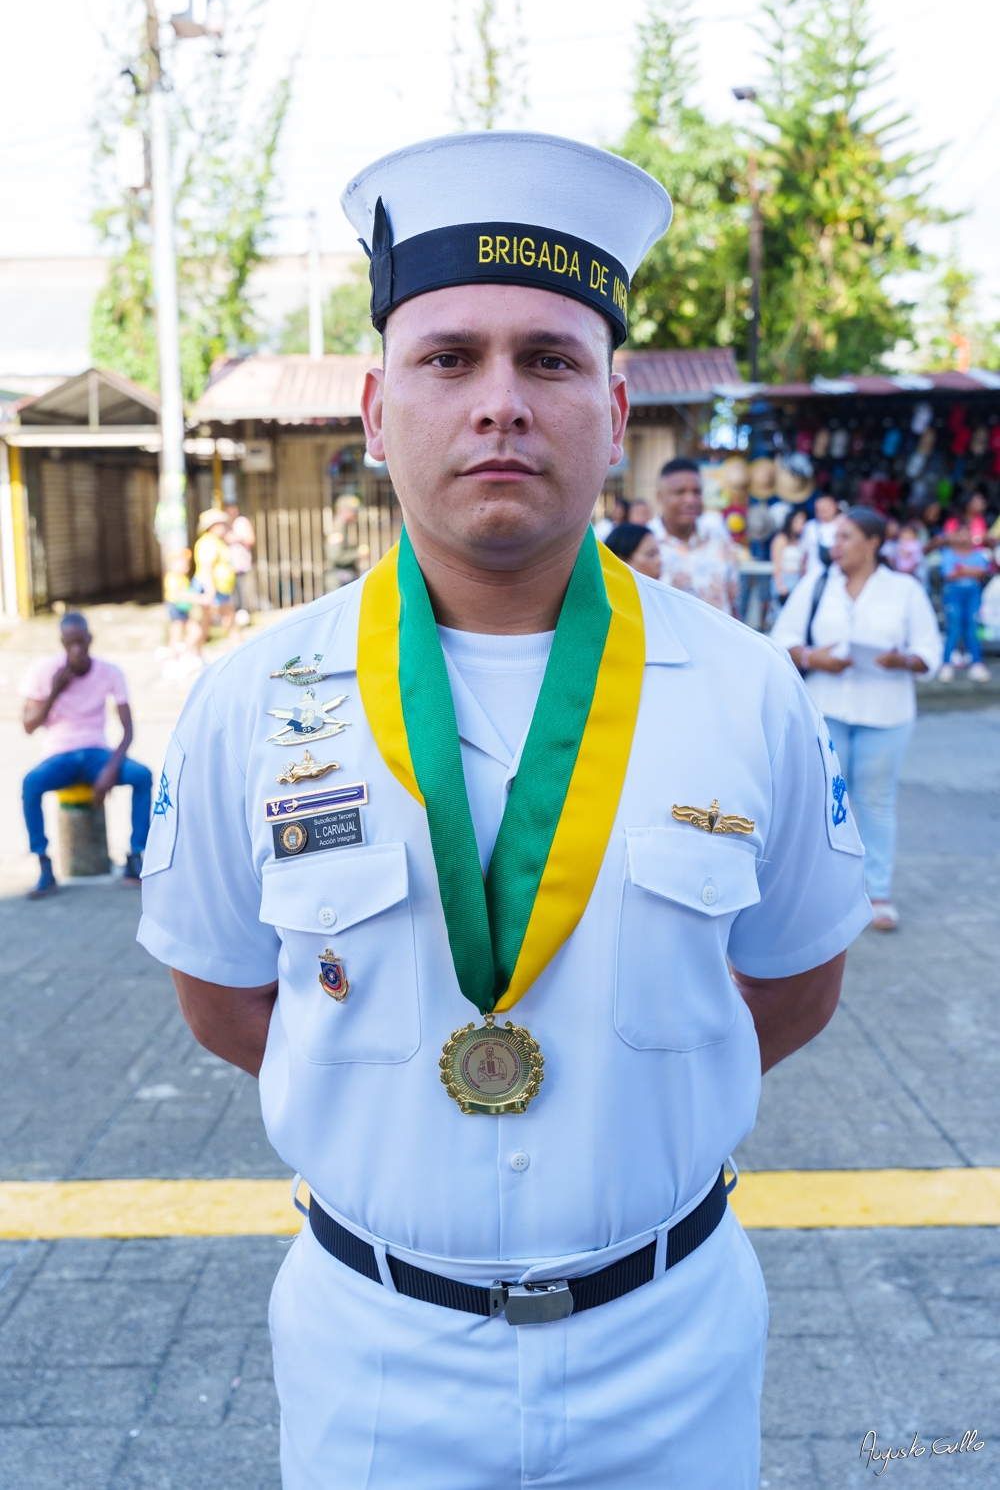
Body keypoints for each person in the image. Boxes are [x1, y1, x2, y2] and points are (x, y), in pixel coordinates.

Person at [139, 131, 869, 1490]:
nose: (499, 403)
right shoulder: (254, 697)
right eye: (448, 358)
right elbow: (226, 996)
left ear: (612, 405)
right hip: (375, 1354)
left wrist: (632, 1099)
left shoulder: (745, 688)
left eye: (548, 360)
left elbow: (797, 983)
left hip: (670, 1346)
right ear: (373, 409)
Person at [771, 507, 942, 931]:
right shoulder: (817, 584)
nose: (837, 545)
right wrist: (814, 657)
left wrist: (901, 659)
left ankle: (877, 892)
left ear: (873, 543)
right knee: (824, 805)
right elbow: (781, 639)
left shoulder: (904, 590)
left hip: (885, 712)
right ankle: (820, 894)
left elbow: (930, 652)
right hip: (826, 709)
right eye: (835, 537)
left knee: (877, 802)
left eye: (847, 536)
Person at [20, 612, 152, 896]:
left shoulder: (110, 672)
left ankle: (136, 855)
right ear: (62, 643)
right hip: (59, 755)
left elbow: (128, 730)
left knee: (142, 776)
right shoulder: (44, 671)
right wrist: (55, 691)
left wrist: (109, 769)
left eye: (81, 642)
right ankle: (43, 863)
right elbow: (29, 725)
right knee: (30, 784)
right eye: (70, 644)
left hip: (97, 754)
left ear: (90, 640)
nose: (76, 650)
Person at [650, 457, 741, 617]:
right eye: (680, 492)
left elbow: (732, 600)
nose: (690, 500)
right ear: (660, 496)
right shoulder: (646, 545)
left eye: (696, 492)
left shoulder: (718, 541)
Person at [938, 520, 992, 683]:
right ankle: (946, 664)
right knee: (953, 627)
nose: (963, 537)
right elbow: (948, 574)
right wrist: (971, 572)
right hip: (953, 595)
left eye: (966, 533)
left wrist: (962, 570)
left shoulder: (978, 554)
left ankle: (977, 664)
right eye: (959, 533)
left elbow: (982, 572)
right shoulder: (947, 553)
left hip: (973, 595)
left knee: (971, 627)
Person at [191, 508, 238, 653]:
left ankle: (237, 650)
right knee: (206, 622)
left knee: (227, 621)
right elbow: (207, 568)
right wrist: (210, 591)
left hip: (220, 588)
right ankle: (188, 651)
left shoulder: (216, 541)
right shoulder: (208, 543)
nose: (224, 526)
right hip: (212, 588)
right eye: (220, 524)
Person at [225, 502, 257, 621]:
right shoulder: (224, 525)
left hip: (243, 564)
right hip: (229, 566)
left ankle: (246, 615)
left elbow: (251, 540)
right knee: (234, 593)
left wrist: (237, 540)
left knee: (245, 591)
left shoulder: (242, 522)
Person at [770, 508, 807, 604]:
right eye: (799, 521)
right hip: (784, 579)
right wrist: (781, 586)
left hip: (797, 579)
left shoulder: (799, 540)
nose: (802, 525)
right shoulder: (781, 539)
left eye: (803, 522)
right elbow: (776, 564)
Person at [163, 548, 196, 654]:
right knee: (176, 634)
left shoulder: (184, 577)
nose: (185, 565)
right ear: (172, 564)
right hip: (175, 608)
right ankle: (172, 660)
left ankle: (183, 652)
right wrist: (197, 598)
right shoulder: (172, 577)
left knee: (195, 631)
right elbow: (178, 594)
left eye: (187, 563)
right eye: (181, 563)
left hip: (184, 609)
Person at [800, 493, 839, 574]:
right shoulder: (809, 526)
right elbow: (804, 554)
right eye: (818, 509)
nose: (822, 512)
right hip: (813, 574)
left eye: (825, 508)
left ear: (835, 507)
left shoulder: (845, 525)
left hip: (838, 575)